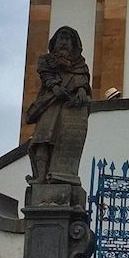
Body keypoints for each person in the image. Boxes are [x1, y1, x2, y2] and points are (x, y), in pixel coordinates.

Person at [26, 26, 91, 183]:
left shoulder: (80, 64)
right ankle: (41, 176)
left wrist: (81, 90)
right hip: (49, 103)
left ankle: (58, 173)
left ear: (74, 44)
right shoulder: (46, 60)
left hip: (68, 109)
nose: (63, 43)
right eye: (61, 39)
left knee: (63, 139)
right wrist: (55, 87)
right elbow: (45, 74)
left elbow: (82, 79)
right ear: (54, 42)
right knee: (43, 138)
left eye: (67, 40)